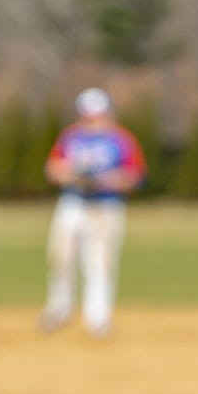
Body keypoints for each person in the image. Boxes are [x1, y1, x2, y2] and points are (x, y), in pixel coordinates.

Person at [39, 87, 146, 337]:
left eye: (98, 114)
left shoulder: (121, 139)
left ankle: (98, 317)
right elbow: (52, 168)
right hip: (73, 203)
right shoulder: (71, 137)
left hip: (105, 206)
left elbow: (135, 175)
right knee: (60, 258)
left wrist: (106, 180)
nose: (93, 120)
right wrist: (72, 175)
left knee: (99, 262)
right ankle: (59, 309)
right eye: (88, 115)